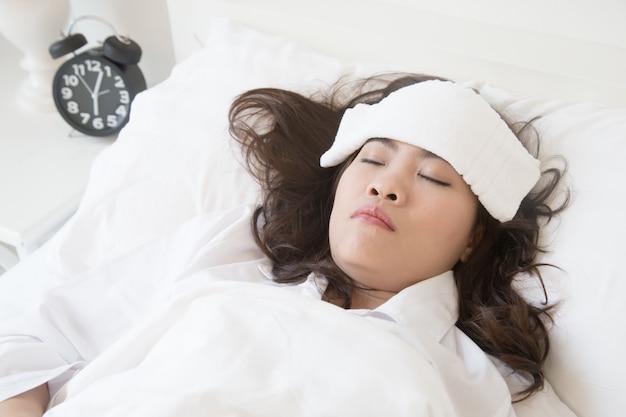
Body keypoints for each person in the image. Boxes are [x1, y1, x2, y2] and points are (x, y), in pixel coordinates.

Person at [0, 74, 571, 416]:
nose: (385, 184)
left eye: (434, 178)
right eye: (372, 158)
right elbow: (33, 343)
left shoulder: (480, 384)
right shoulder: (229, 255)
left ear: (475, 238)